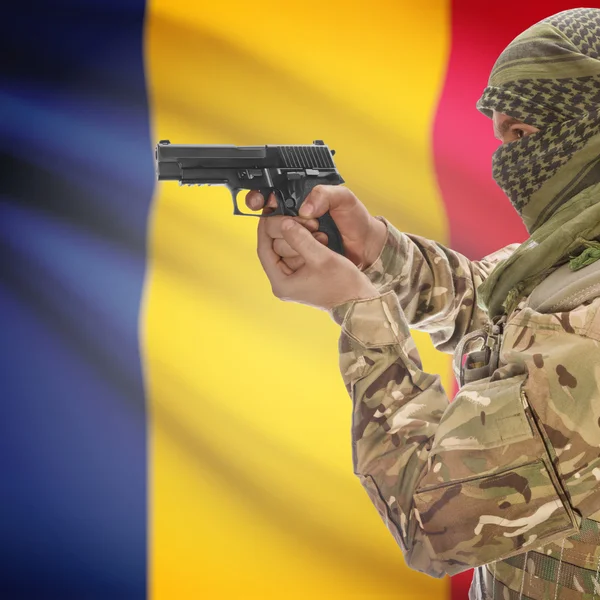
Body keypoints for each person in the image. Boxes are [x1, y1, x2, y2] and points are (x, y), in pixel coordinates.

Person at [246, 8, 600, 599]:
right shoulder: (577, 254)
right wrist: (377, 250)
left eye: (522, 135)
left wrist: (359, 310)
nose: (506, 161)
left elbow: (433, 520)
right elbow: (499, 308)